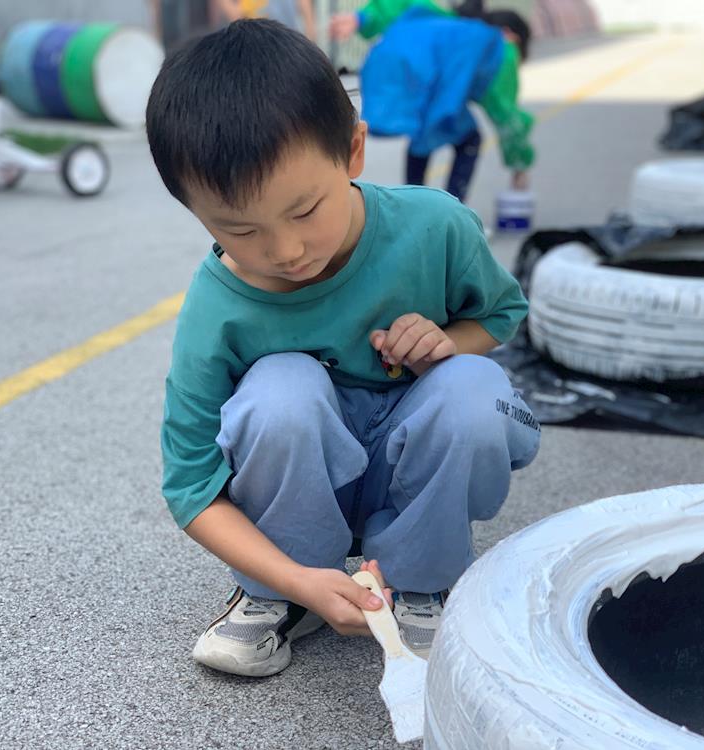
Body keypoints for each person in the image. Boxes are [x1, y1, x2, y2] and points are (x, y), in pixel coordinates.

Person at [145, 19, 540, 677]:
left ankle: (422, 580)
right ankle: (281, 592)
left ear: (353, 150)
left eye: (304, 211)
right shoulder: (216, 308)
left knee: (473, 389)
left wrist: (446, 343)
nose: (285, 250)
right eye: (239, 229)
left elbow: (502, 313)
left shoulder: (434, 226)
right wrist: (296, 578)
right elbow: (190, 486)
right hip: (300, 486)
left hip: (409, 458)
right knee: (279, 391)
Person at [331, 2, 534, 202]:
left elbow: (405, 4)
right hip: (422, 78)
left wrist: (363, 18)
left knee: (425, 136)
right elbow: (507, 115)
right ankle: (453, 209)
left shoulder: (448, 22)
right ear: (510, 34)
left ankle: (413, 203)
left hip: (384, 64)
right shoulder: (500, 47)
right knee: (468, 138)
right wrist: (520, 163)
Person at [217, 0, 317, 39]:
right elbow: (235, 16)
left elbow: (303, 3)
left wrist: (310, 28)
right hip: (253, 40)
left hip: (287, 38)